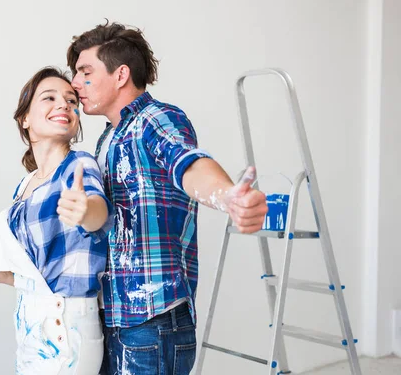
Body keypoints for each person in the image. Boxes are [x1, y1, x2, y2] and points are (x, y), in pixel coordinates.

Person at [66, 22, 269, 375]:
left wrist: (226, 196)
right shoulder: (107, 139)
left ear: (121, 75)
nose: (75, 83)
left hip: (152, 320)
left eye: (86, 72)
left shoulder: (155, 119)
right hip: (116, 317)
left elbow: (187, 164)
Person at [0, 67, 113, 375]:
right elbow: (37, 277)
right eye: (50, 97)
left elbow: (98, 212)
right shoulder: (25, 185)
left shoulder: (79, 165)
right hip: (31, 328)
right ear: (25, 119)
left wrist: (86, 212)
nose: (64, 105)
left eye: (71, 101)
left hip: (67, 330)